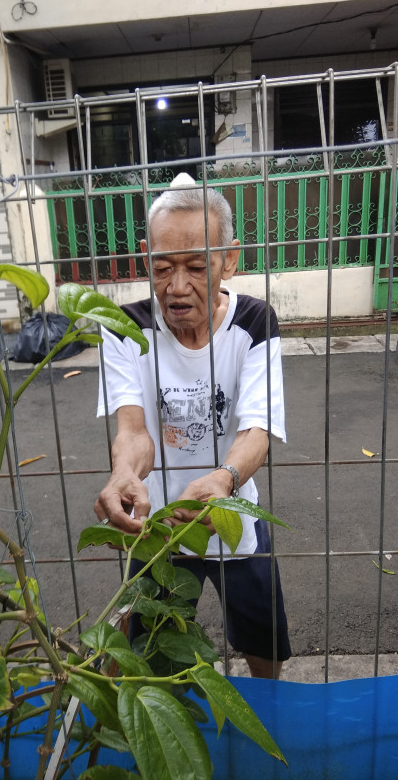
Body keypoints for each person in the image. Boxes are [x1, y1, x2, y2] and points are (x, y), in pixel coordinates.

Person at [94, 173, 291, 678]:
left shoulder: (253, 322)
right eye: (162, 268)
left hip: (231, 516)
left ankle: (270, 718)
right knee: (146, 643)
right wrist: (123, 475)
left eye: (196, 267)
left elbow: (257, 431)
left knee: (260, 629)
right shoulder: (125, 328)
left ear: (230, 258)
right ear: (146, 257)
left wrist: (223, 481)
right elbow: (134, 430)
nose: (177, 288)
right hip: (156, 522)